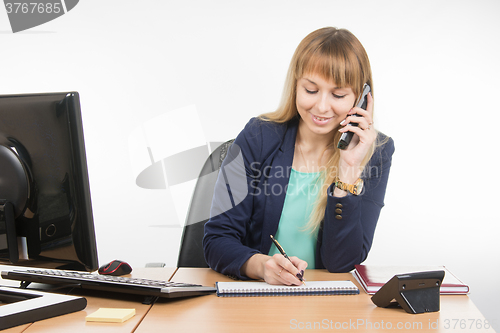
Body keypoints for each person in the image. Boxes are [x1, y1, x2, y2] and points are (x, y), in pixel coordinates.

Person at [203, 27, 395, 286]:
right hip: (255, 297)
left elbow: (342, 264)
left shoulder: (376, 153)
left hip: (326, 307)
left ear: (361, 99)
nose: (322, 107)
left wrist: (348, 168)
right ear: (295, 85)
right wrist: (261, 266)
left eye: (338, 95)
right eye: (311, 90)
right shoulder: (258, 136)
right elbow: (217, 239)